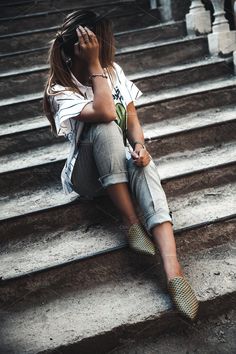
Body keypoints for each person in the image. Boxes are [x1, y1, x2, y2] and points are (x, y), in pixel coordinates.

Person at [43, 10, 199, 320]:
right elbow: (104, 111)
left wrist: (140, 146)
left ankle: (174, 271)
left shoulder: (114, 71)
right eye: (101, 42)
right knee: (105, 123)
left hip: (118, 162)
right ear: (83, 47)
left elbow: (133, 119)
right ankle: (131, 224)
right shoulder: (59, 88)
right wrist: (95, 67)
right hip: (86, 176)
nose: (108, 47)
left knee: (143, 163)